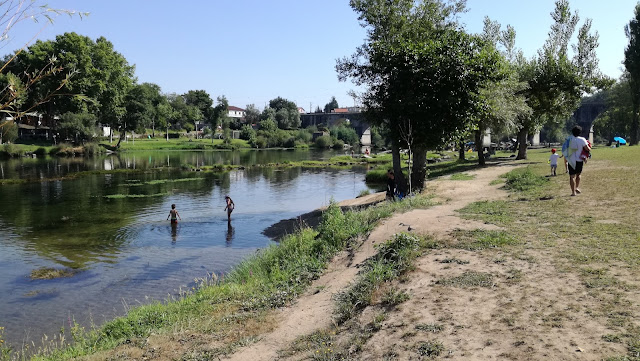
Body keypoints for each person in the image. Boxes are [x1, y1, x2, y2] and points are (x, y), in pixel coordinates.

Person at [563, 125, 591, 196]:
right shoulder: (582, 139)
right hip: (579, 160)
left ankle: (573, 192)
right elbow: (587, 148)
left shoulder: (568, 139)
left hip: (571, 160)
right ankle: (577, 187)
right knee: (578, 175)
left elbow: (564, 149)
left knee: (571, 176)